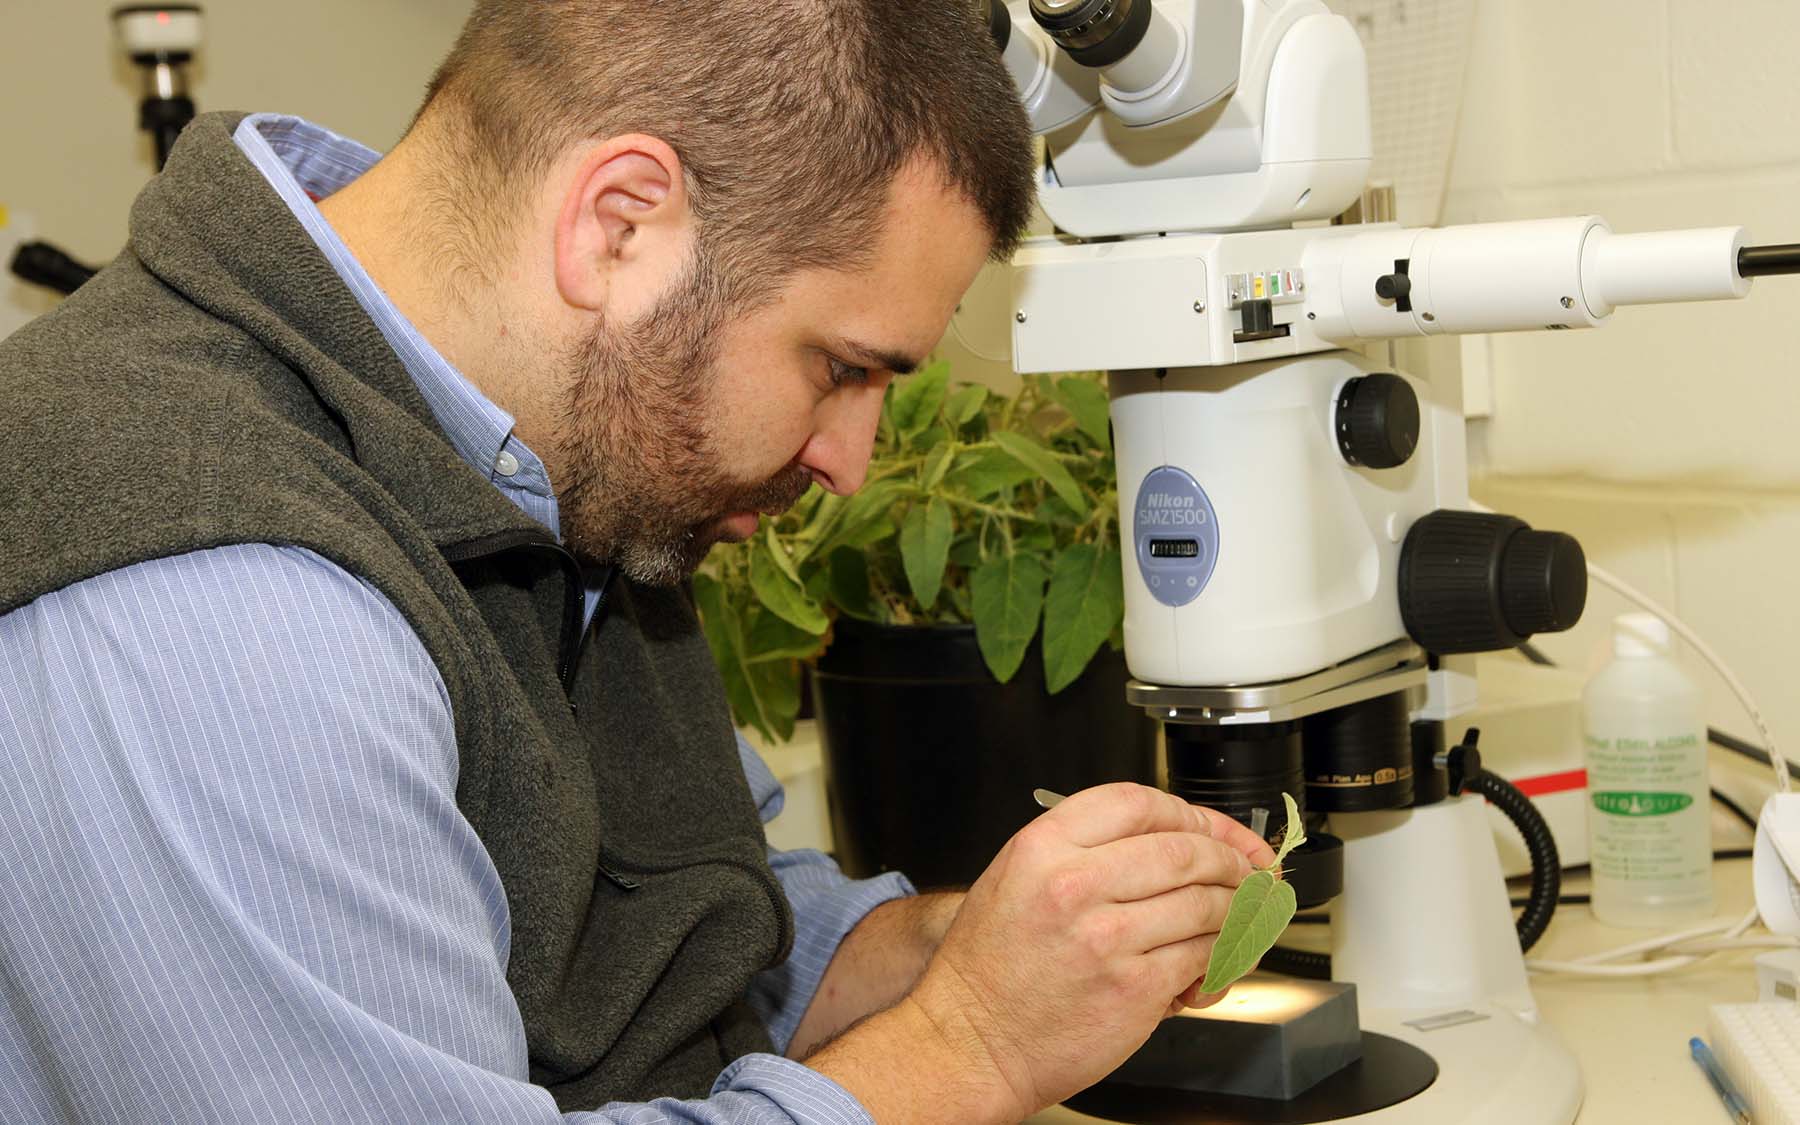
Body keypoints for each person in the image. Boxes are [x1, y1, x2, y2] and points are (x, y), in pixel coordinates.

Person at [0, 2, 1273, 1121]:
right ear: (621, 226)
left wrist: (981, 947)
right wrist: (976, 1043)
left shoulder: (544, 470)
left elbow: (694, 936)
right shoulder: (231, 617)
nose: (852, 462)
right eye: (840, 368)